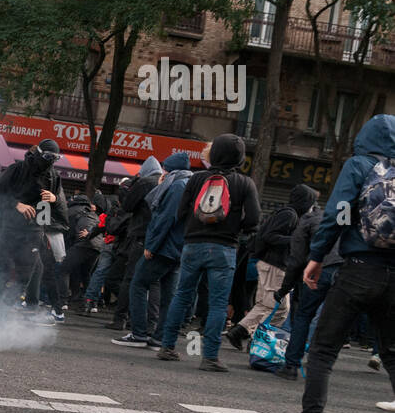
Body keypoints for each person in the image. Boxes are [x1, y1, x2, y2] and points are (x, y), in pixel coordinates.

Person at [277, 115, 395, 413]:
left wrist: (316, 256)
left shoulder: (358, 165)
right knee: (391, 353)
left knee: (323, 350)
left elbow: (337, 213)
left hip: (358, 269)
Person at [154, 133, 261, 371]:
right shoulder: (244, 183)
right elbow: (254, 220)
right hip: (224, 248)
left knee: (181, 296)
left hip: (192, 245)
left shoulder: (196, 179)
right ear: (240, 157)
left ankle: (167, 346)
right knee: (218, 303)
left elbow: (180, 213)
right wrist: (235, 228)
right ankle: (210, 357)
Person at [113, 152, 192, 348]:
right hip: (178, 248)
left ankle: (139, 333)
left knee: (138, 284)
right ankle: (159, 337)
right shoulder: (189, 184)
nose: (162, 173)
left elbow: (164, 218)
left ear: (170, 169)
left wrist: (152, 245)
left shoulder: (175, 185)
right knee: (167, 294)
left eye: (165, 168)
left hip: (164, 247)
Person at [0, 139, 66, 324]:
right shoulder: (17, 169)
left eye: (55, 158)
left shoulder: (53, 177)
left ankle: (4, 310)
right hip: (9, 229)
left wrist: (55, 199)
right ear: (38, 153)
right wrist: (16, 204)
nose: (51, 161)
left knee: (25, 276)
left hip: (34, 233)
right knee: (1, 271)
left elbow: (60, 208)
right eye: (47, 157)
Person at [224, 185, 314, 349]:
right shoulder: (289, 215)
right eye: (311, 203)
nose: (311, 208)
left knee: (274, 307)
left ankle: (250, 334)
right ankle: (248, 334)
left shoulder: (290, 214)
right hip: (274, 264)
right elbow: (270, 236)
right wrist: (295, 240)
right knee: (274, 306)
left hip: (275, 265)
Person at [271, 186, 336, 380]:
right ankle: (321, 366)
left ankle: (291, 366)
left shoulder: (307, 222)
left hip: (317, 271)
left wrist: (284, 289)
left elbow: (297, 260)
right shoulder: (337, 221)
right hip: (346, 271)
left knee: (303, 316)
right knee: (334, 320)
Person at [106, 156, 164, 331]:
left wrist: (132, 187)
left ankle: (120, 318)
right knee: (153, 283)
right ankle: (146, 322)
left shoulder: (145, 182)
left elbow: (128, 206)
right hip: (158, 237)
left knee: (130, 279)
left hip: (140, 236)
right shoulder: (165, 183)